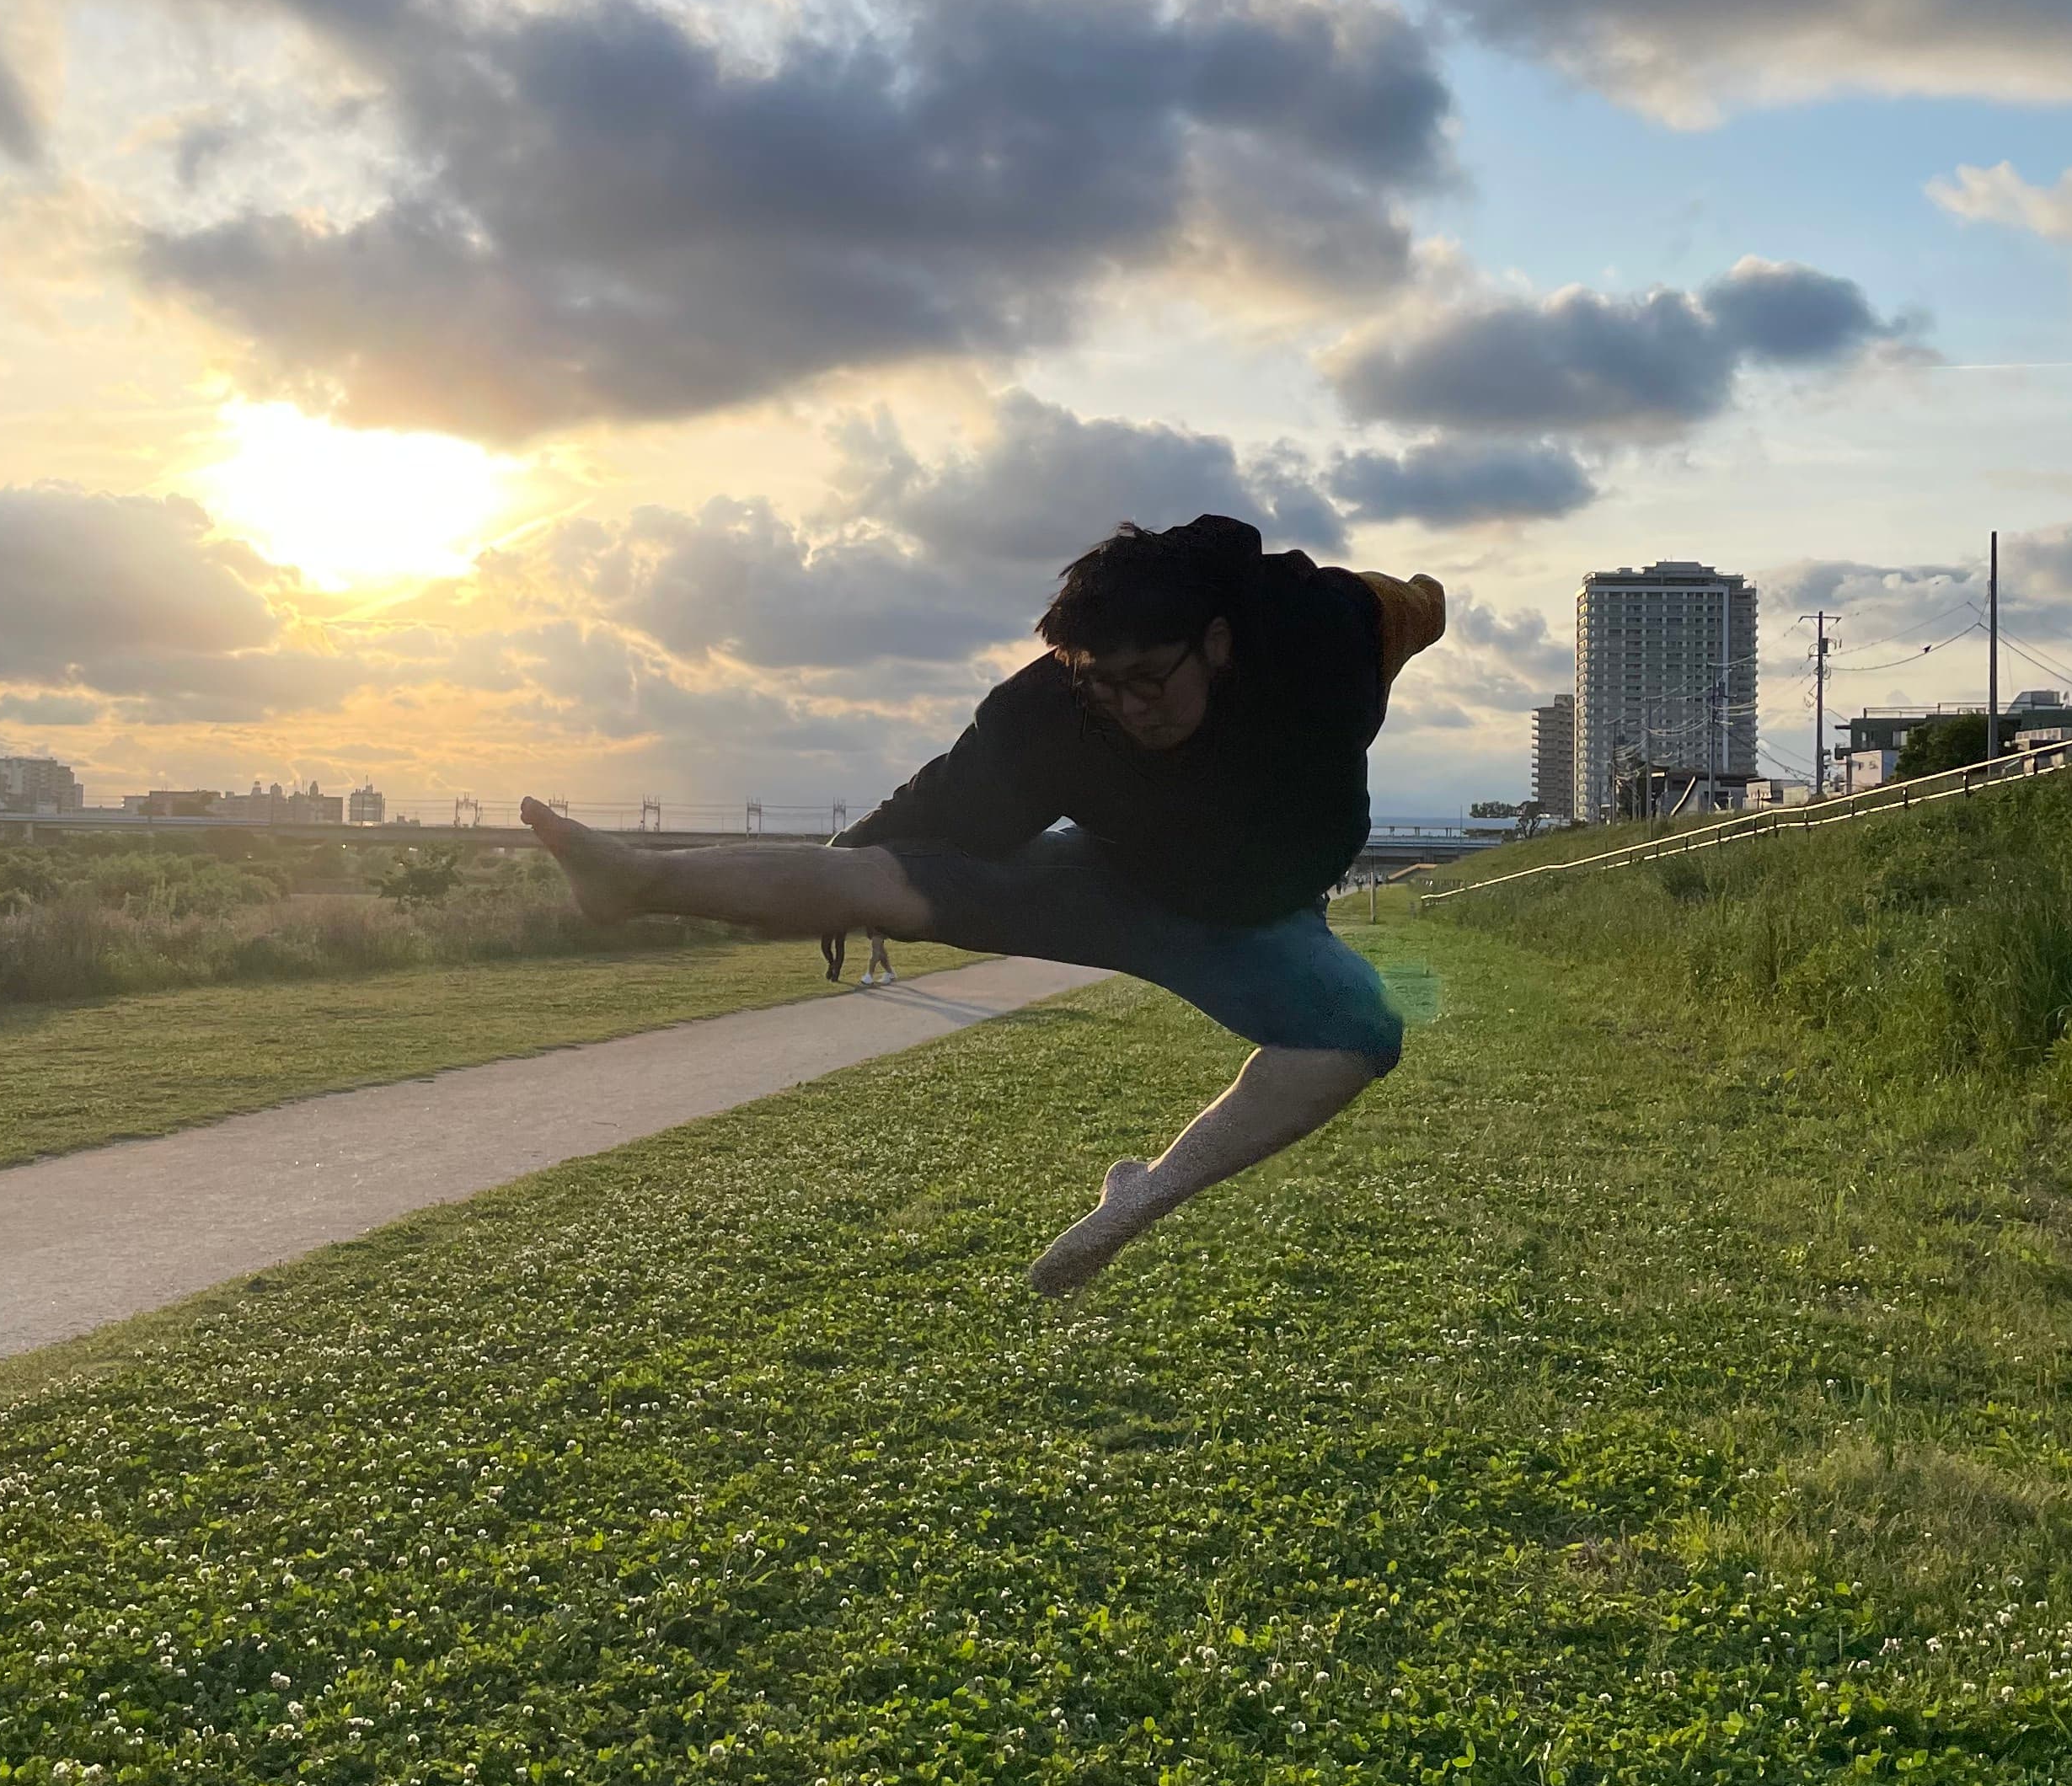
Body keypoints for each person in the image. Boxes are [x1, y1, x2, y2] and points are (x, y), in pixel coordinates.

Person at [522, 514, 1443, 1294]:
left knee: (1360, 1027)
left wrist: (1419, 608)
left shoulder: (1326, 630)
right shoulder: (1048, 711)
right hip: (1104, 885)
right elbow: (933, 812)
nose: (1126, 707)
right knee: (887, 873)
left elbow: (1419, 601)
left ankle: (1140, 1197)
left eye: (1147, 679)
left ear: (1216, 640)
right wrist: (837, 885)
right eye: (1099, 682)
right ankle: (636, 881)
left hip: (1255, 926)